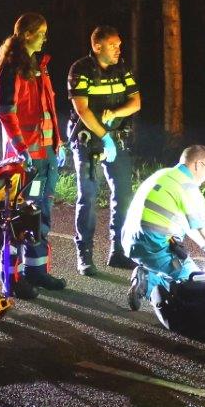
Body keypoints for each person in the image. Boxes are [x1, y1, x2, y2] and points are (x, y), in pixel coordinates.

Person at [0, 13, 67, 299]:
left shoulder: (39, 66)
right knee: (17, 217)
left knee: (40, 215)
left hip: (46, 153)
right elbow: (6, 113)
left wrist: (56, 146)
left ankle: (35, 271)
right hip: (26, 156)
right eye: (41, 33)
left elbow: (46, 109)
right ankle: (10, 277)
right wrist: (22, 150)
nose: (45, 38)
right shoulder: (12, 68)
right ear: (27, 35)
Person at [68, 25, 141, 275]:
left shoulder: (123, 69)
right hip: (89, 141)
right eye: (113, 45)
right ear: (97, 47)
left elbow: (136, 102)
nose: (119, 49)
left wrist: (116, 114)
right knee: (87, 197)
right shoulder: (81, 70)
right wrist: (104, 136)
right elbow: (82, 110)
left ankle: (118, 252)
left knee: (123, 195)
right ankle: (84, 253)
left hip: (118, 141)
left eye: (119, 45)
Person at [122, 145, 205, 309]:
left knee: (179, 271)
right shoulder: (188, 188)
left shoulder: (162, 175)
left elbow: (192, 230)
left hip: (129, 241)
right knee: (194, 283)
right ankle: (148, 281)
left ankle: (147, 279)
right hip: (154, 245)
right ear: (198, 164)